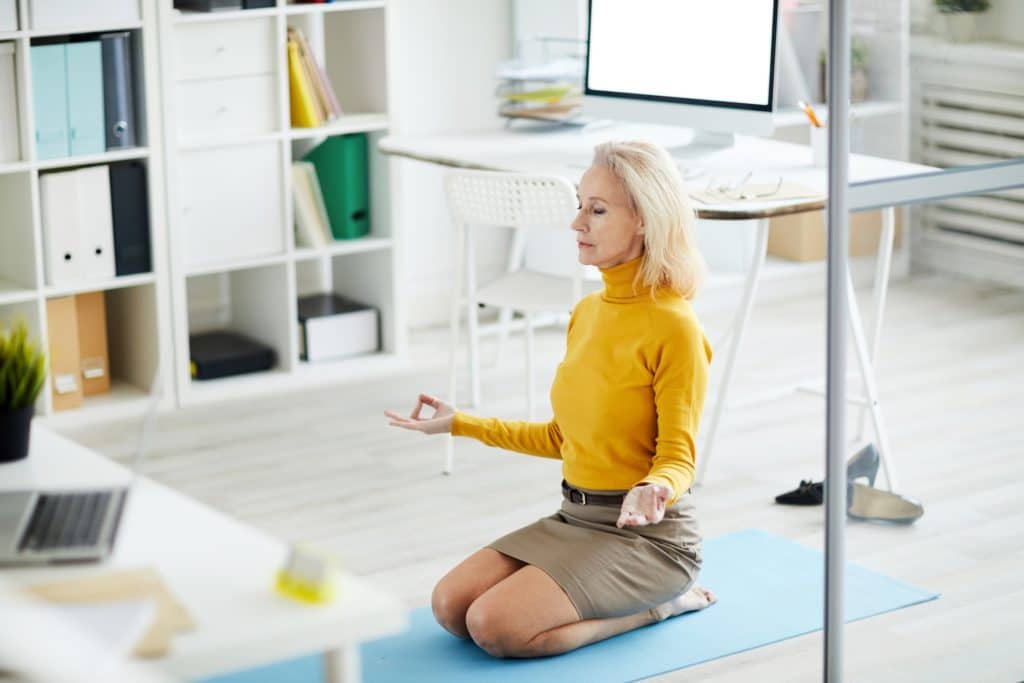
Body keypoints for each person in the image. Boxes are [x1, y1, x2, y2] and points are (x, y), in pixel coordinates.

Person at [386, 140, 717, 658]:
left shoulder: (674, 326)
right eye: (580, 205)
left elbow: (678, 457)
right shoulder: (588, 312)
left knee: (496, 627)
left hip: (649, 541)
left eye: (598, 210)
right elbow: (563, 438)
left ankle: (658, 606)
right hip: (574, 518)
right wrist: (459, 423)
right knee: (451, 606)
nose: (577, 223)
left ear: (646, 221)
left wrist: (655, 485)